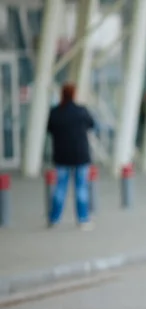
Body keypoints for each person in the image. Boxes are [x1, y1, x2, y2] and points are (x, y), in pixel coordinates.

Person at [46, 83, 95, 230]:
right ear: (74, 95)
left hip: (62, 156)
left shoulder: (55, 112)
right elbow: (91, 124)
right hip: (80, 155)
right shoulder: (81, 111)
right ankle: (83, 219)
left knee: (60, 188)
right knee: (81, 188)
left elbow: (49, 129)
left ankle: (54, 219)